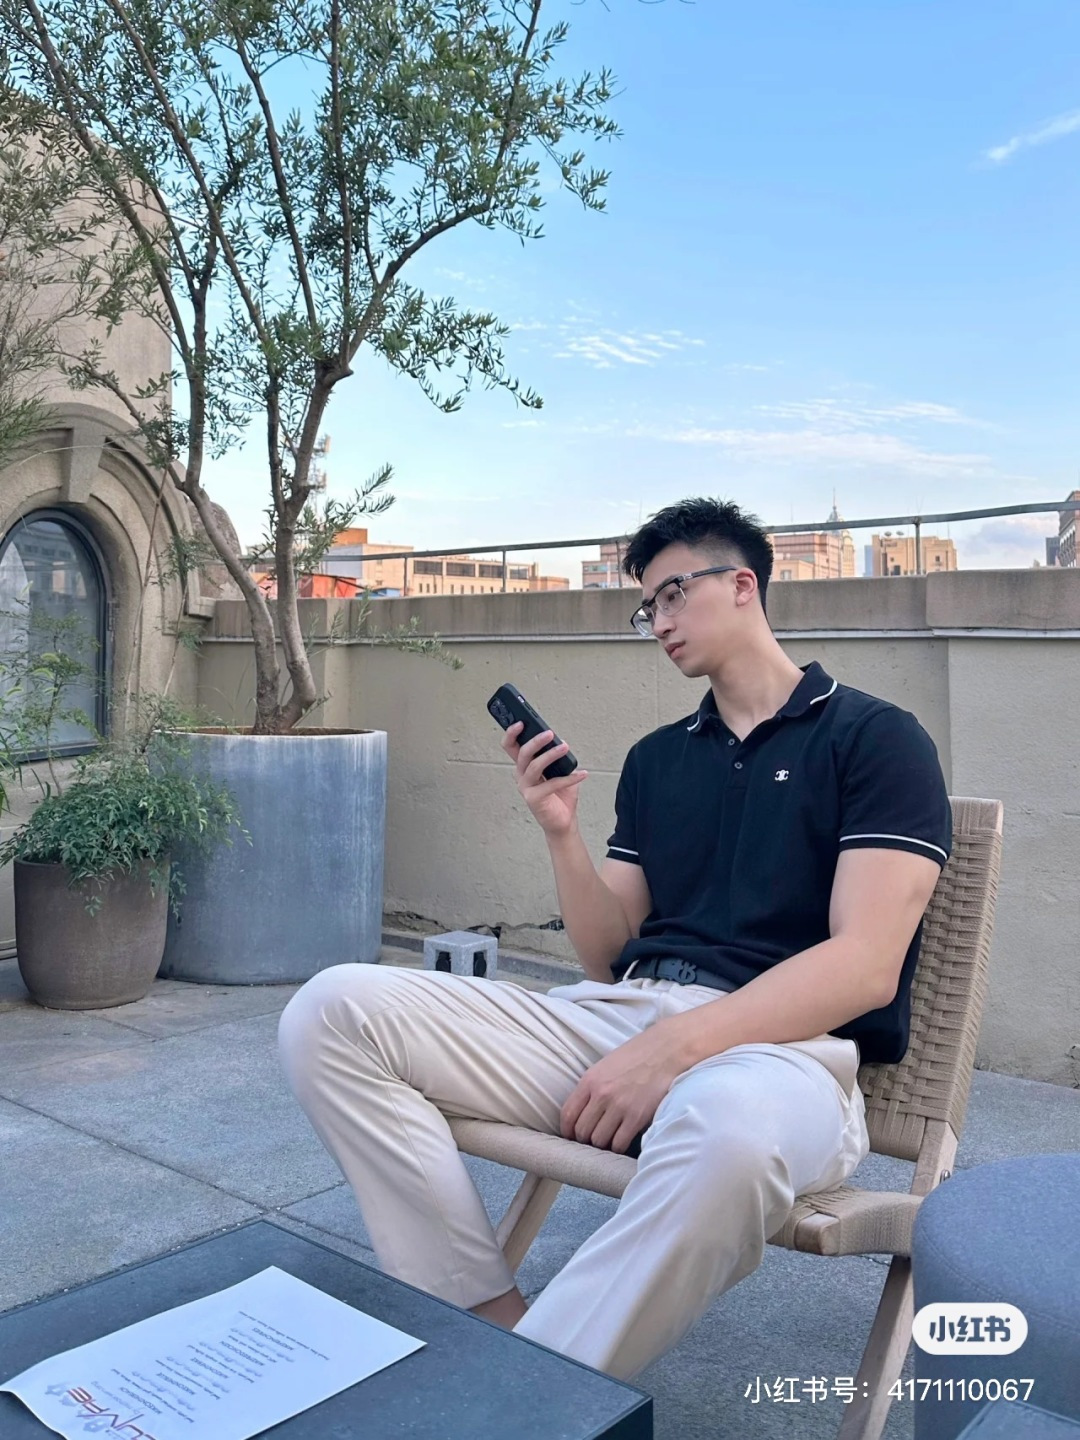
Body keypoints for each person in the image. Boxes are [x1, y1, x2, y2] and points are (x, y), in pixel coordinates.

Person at [278, 497, 951, 1382]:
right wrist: (560, 830)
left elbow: (864, 966)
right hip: (618, 1020)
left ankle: (532, 1398)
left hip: (780, 1055)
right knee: (332, 1011)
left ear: (743, 585)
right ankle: (489, 1321)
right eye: (647, 608)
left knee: (731, 1138)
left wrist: (673, 1051)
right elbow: (606, 955)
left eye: (672, 595)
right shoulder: (658, 759)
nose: (658, 622)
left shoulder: (875, 738)